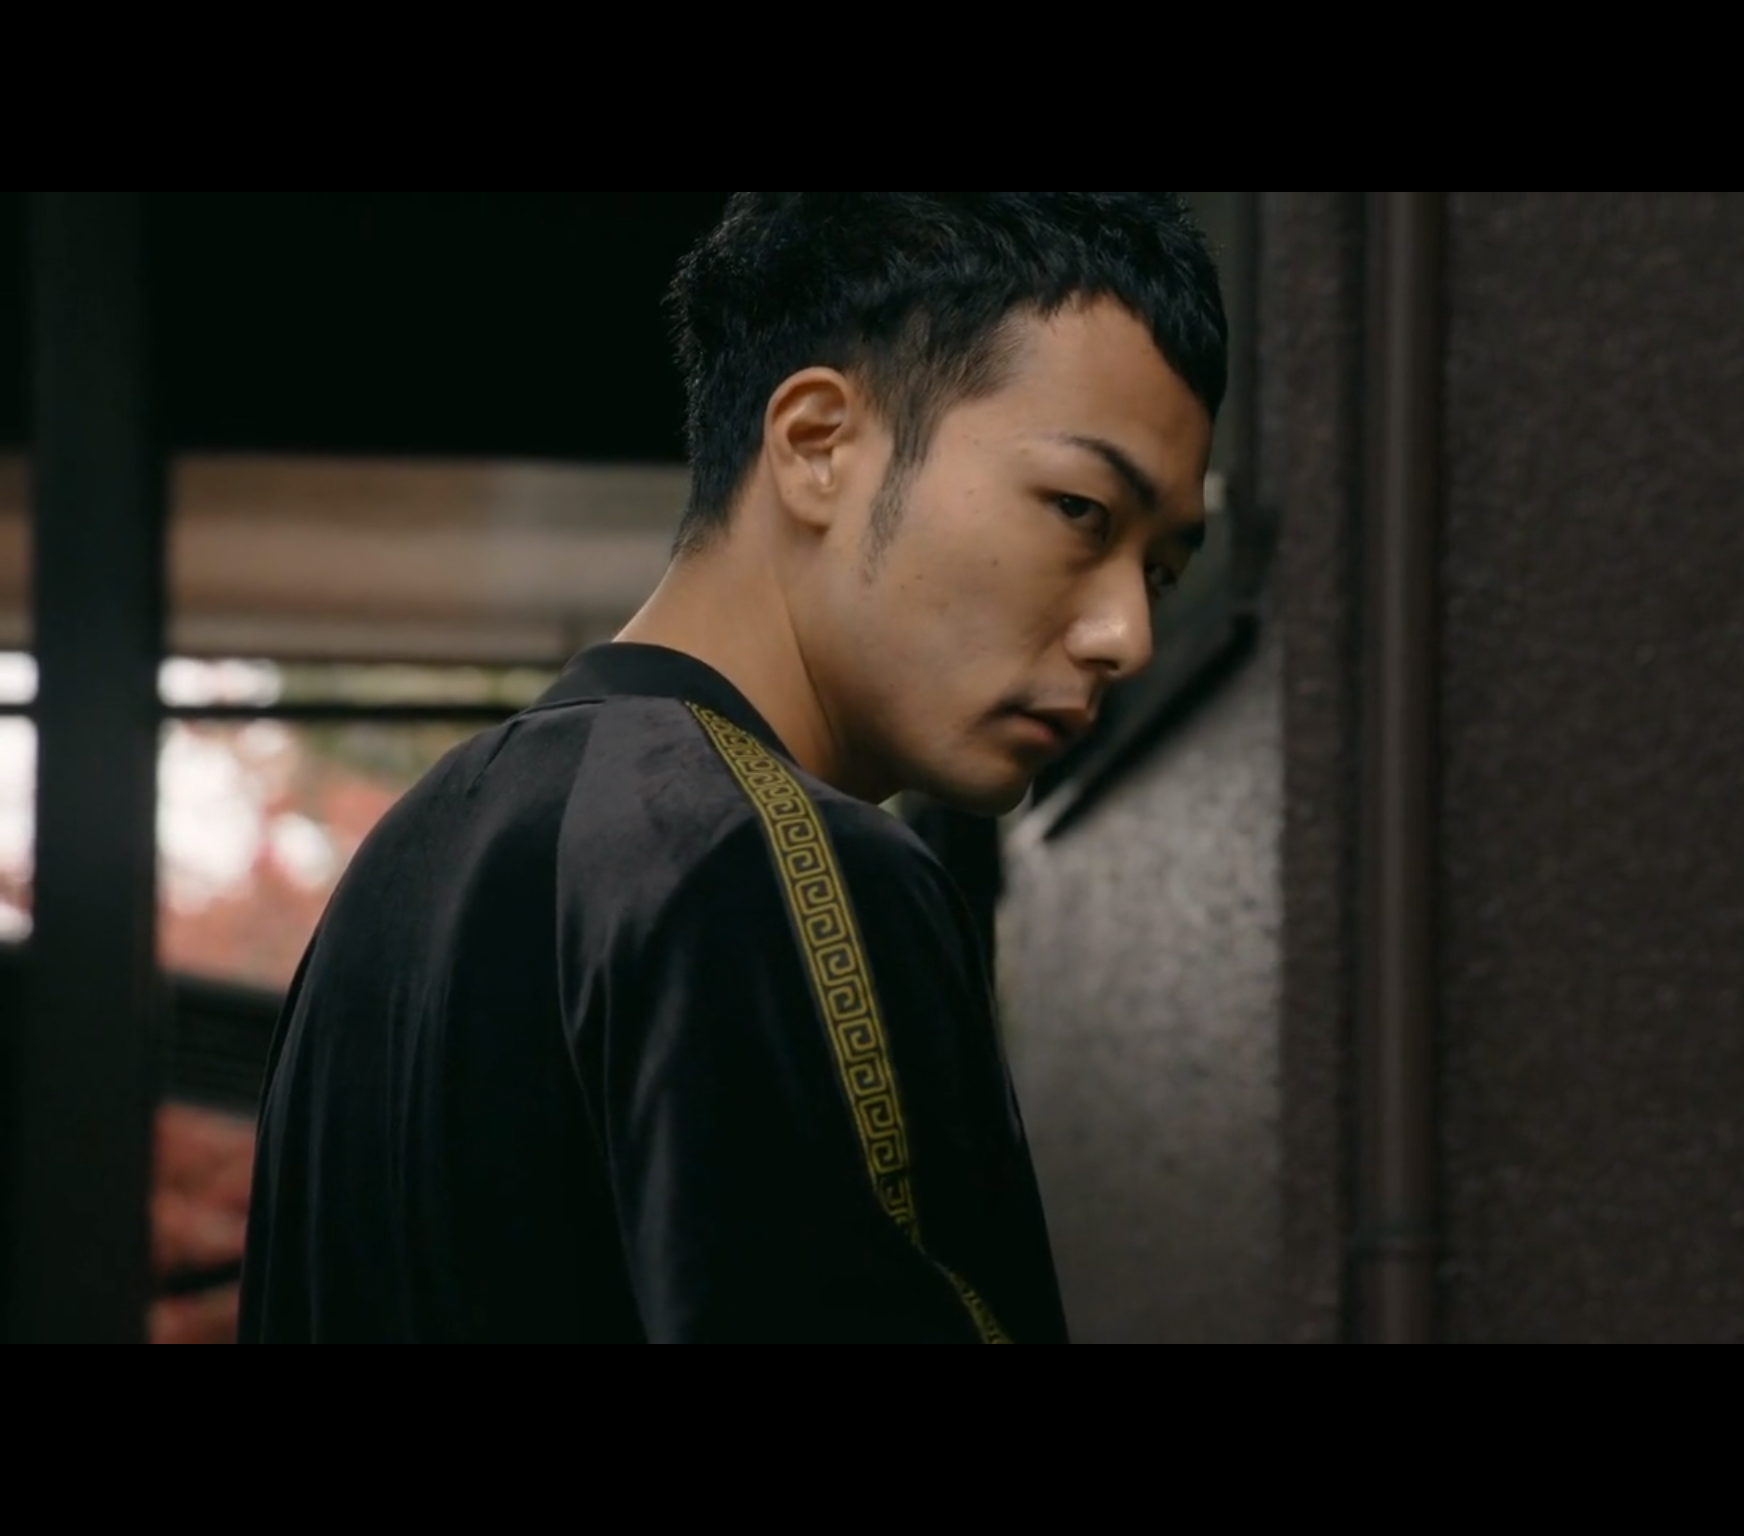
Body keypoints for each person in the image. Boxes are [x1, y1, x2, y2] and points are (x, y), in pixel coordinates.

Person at [238, 193, 1227, 1342]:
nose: (1125, 637)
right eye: (1080, 511)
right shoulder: (764, 860)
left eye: (1159, 571)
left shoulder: (406, 859)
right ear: (816, 445)